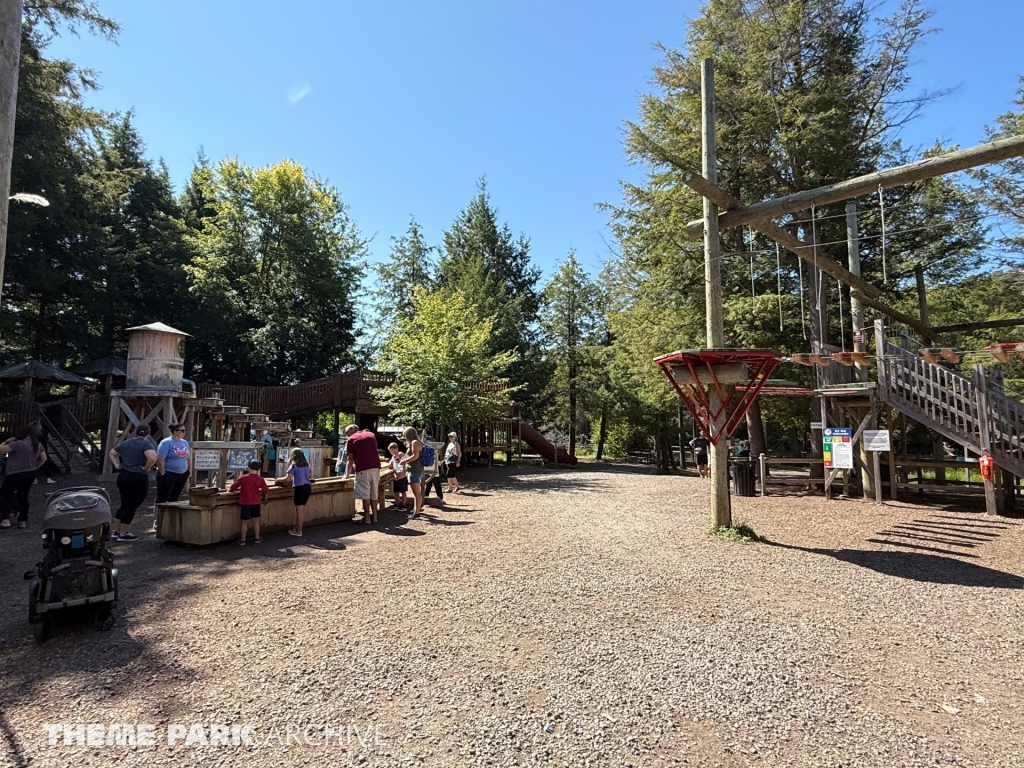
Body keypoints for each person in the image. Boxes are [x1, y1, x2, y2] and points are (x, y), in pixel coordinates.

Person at [108, 425, 157, 541]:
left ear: (136, 432)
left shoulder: (126, 443)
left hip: (123, 475)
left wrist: (116, 465)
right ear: (148, 433)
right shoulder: (146, 444)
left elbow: (112, 453)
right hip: (138, 476)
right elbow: (152, 458)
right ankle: (124, 533)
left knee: (124, 503)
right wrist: (146, 468)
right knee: (132, 505)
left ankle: (116, 530)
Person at [0, 425, 48, 529]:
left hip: (15, 473)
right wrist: (36, 466)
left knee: (4, 495)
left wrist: (7, 440)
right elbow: (44, 458)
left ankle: (5, 519)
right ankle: (22, 520)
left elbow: (1, 449)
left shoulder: (17, 444)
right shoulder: (37, 444)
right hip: (30, 473)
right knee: (23, 496)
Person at [345, 424, 380, 524]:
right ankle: (375, 518)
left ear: (351, 430)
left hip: (362, 469)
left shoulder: (351, 439)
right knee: (374, 493)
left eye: (347, 433)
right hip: (376, 467)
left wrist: (346, 475)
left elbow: (350, 459)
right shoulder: (371, 434)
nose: (347, 436)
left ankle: (367, 518)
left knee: (365, 494)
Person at [156, 424, 191, 516]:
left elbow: (188, 457)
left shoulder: (185, 442)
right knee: (163, 497)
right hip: (169, 473)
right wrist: (163, 473)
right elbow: (160, 458)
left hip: (182, 473)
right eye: (182, 431)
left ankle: (171, 518)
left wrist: (189, 471)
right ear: (175, 432)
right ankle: (158, 518)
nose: (184, 433)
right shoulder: (166, 442)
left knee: (175, 496)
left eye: (185, 431)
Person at [231, 460, 269, 545]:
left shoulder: (243, 478)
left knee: (245, 522)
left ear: (249, 468)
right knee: (256, 521)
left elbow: (233, 487)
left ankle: (243, 540)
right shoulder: (260, 479)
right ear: (259, 469)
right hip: (256, 502)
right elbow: (265, 490)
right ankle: (257, 538)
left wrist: (230, 490)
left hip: (245, 502)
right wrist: (263, 496)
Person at [285, 448, 314, 536]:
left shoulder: (294, 466)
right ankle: (297, 527)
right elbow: (311, 478)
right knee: (302, 510)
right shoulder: (307, 465)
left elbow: (288, 479)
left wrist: (279, 480)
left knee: (299, 511)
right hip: (307, 488)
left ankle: (299, 531)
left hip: (299, 489)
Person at [401, 426, 424, 520]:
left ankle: (417, 513)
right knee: (416, 493)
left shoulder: (414, 442)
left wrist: (405, 461)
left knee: (417, 493)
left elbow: (415, 456)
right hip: (414, 469)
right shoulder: (416, 442)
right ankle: (415, 510)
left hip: (415, 469)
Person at [388, 442, 409, 512]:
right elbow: (391, 464)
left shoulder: (400, 454)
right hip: (396, 476)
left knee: (403, 491)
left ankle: (403, 505)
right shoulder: (393, 457)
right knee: (396, 491)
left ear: (393, 449)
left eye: (390, 451)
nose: (390, 452)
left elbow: (404, 463)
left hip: (402, 476)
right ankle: (396, 504)